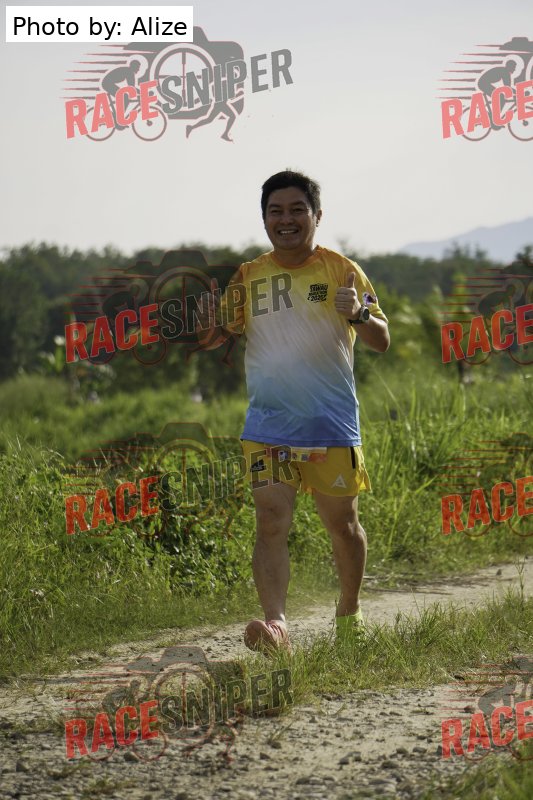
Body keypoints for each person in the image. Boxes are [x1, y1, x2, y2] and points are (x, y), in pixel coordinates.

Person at [197, 170, 390, 652]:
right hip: (268, 425)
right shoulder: (248, 276)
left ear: (316, 215)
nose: (286, 219)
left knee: (343, 526)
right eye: (275, 211)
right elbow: (221, 333)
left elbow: (382, 339)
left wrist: (359, 313)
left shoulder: (342, 270)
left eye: (296, 210)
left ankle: (349, 614)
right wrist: (207, 325)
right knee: (270, 520)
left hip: (330, 426)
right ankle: (277, 627)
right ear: (264, 219)